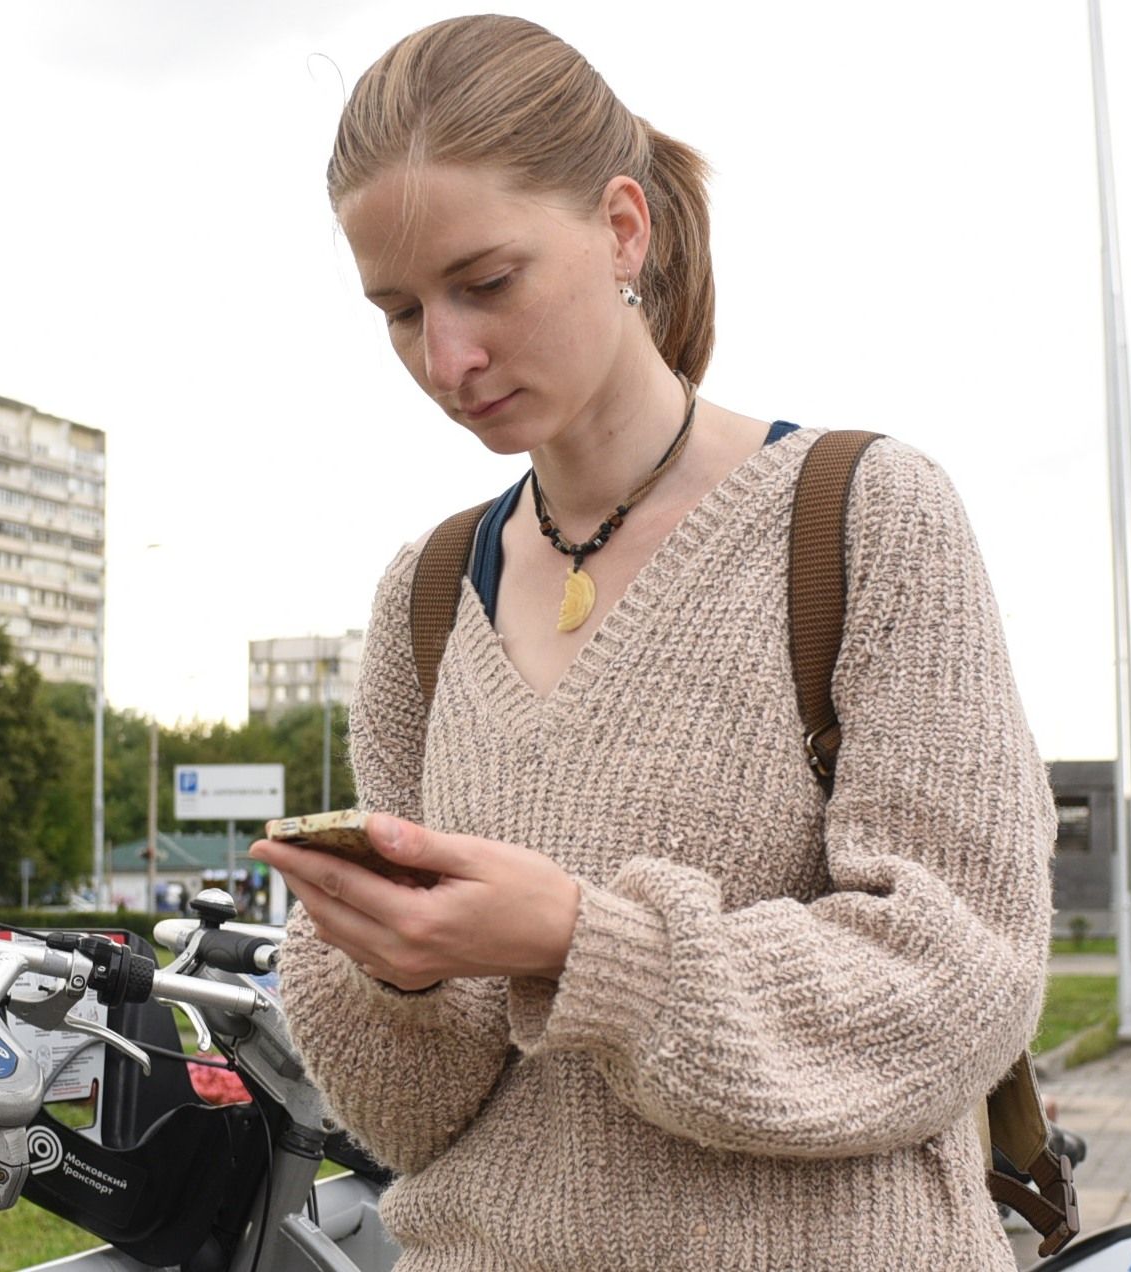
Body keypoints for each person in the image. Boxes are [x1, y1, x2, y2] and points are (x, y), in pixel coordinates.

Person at [250, 14, 1055, 1270]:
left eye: (486, 282)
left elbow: (958, 979)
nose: (446, 357)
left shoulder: (863, 516)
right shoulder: (425, 597)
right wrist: (389, 970)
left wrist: (579, 943)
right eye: (399, 310)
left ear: (623, 229)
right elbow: (411, 1122)